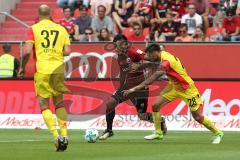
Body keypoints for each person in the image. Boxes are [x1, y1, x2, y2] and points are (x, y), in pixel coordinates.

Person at [123, 43, 224, 144]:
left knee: (197, 116)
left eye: (150, 55)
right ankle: (158, 133)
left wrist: (134, 89)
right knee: (155, 106)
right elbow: (151, 61)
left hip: (187, 89)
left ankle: (218, 133)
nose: (148, 57)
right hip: (174, 87)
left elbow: (152, 78)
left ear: (155, 53)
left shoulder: (166, 62)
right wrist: (139, 65)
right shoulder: (161, 55)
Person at [18, 5, 71, 151]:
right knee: (59, 103)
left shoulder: (33, 29)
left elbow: (27, 51)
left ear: (38, 14)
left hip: (42, 69)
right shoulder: (62, 29)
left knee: (44, 105)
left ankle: (56, 136)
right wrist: (55, 50)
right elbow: (67, 51)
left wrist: (21, 67)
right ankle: (65, 135)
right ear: (51, 14)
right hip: (58, 69)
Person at [99, 34, 167, 140]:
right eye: (117, 45)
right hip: (126, 87)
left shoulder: (133, 51)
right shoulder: (119, 54)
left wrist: (140, 66)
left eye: (121, 44)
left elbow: (154, 62)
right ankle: (109, 130)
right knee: (110, 103)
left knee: (142, 116)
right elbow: (124, 70)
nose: (119, 47)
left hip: (140, 88)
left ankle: (160, 120)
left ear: (126, 43)